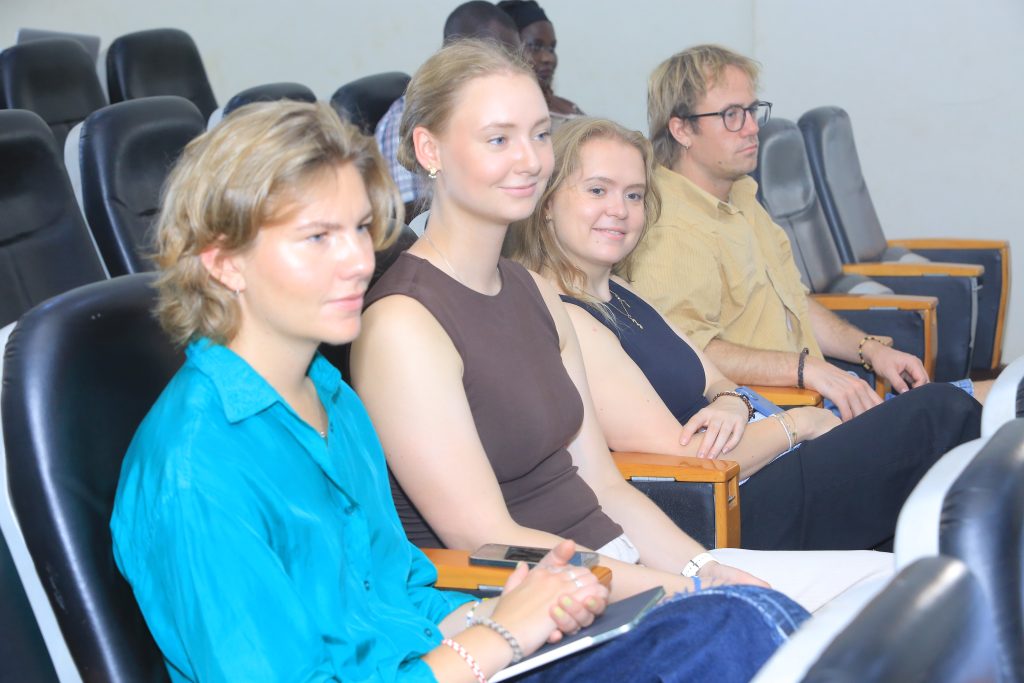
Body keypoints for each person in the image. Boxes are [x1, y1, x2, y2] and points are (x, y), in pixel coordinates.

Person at [109, 100, 806, 682]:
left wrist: (507, 608)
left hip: (447, 658)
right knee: (734, 637)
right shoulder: (195, 468)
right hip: (455, 668)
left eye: (360, 229)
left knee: (740, 620)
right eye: (317, 237)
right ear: (224, 262)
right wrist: (498, 636)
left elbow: (402, 591)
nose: (357, 260)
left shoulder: (330, 398)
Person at [352, 39, 896, 615]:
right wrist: (686, 592)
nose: (530, 160)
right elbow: (482, 538)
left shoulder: (534, 291)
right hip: (544, 602)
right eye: (498, 139)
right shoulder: (404, 323)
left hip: (623, 564)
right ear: (429, 149)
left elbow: (606, 486)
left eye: (540, 134)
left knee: (888, 581)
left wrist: (702, 569)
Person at [504, 116, 983, 552]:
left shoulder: (623, 290)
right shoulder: (564, 317)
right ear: (546, 204)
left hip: (764, 457)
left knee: (939, 476)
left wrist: (732, 402)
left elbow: (716, 378)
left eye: (633, 195)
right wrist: (801, 424)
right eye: (597, 191)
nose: (620, 210)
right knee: (939, 413)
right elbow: (680, 454)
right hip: (730, 507)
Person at [632, 44, 987, 421]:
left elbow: (796, 303)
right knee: (972, 408)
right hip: (775, 419)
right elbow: (687, 353)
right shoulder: (669, 227)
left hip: (819, 400)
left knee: (991, 403)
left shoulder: (741, 196)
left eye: (752, 111)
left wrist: (870, 349)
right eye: (732, 115)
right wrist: (806, 370)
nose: (752, 128)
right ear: (682, 129)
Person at [375, 1, 520, 222]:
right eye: (500, 56)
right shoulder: (408, 117)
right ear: (457, 52)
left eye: (516, 58)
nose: (512, 69)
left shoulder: (502, 112)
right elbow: (409, 221)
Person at [497, 0, 584, 125]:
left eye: (551, 48)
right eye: (536, 47)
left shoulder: (570, 108)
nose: (548, 58)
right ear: (509, 49)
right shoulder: (501, 113)